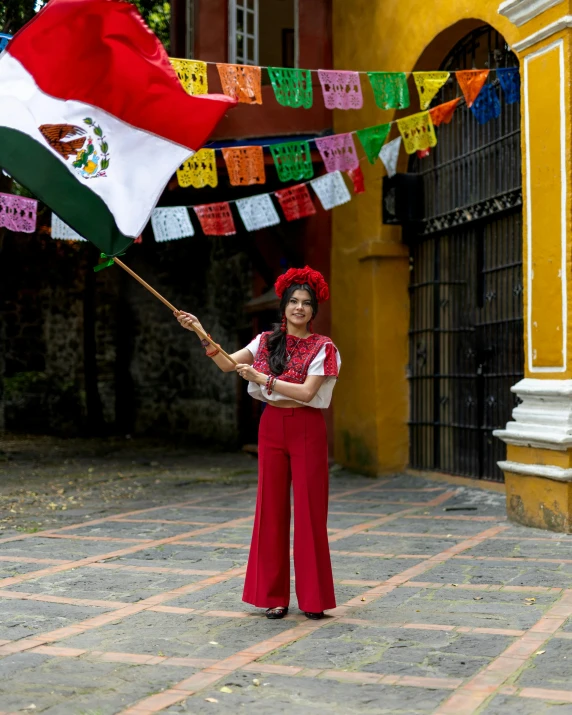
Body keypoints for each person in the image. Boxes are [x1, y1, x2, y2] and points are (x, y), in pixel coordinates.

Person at [176, 266, 341, 620]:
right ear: (283, 307)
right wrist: (200, 331)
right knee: (270, 509)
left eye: (306, 303)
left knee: (311, 512)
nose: (299, 308)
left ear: (314, 310)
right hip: (272, 426)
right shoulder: (264, 341)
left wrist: (263, 378)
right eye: (293, 301)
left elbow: (308, 392)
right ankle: (273, 597)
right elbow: (226, 364)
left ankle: (313, 600)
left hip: (307, 427)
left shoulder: (323, 347)